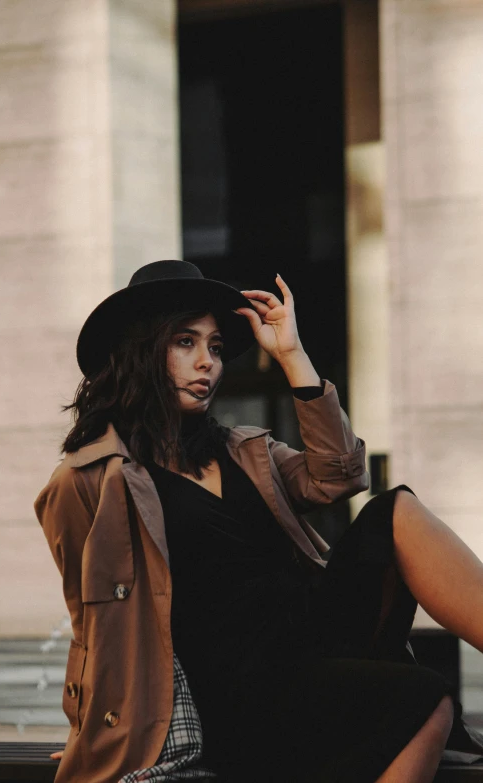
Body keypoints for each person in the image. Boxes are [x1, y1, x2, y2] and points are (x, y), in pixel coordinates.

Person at [35, 260, 483, 783]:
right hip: (235, 687)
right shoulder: (89, 479)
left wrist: (293, 356)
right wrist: (91, 731)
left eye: (217, 347)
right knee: (428, 698)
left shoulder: (244, 451)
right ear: (141, 351)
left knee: (396, 510)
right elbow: (90, 620)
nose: (208, 363)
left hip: (309, 641)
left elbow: (340, 476)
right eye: (185, 342)